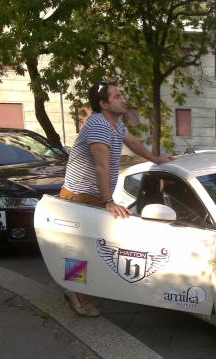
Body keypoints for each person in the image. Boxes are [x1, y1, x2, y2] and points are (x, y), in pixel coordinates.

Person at [61, 81, 173, 316]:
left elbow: (131, 142)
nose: (124, 99)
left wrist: (155, 158)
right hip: (80, 197)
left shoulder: (115, 123)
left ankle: (76, 286)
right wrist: (108, 202)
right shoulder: (99, 126)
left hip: (93, 196)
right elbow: (101, 167)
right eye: (117, 96)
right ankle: (76, 294)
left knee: (90, 246)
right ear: (103, 103)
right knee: (80, 248)